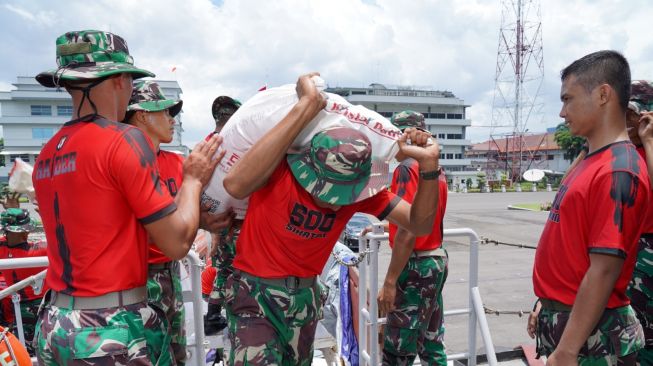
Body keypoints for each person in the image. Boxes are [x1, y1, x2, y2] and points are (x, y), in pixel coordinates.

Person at [222, 72, 442, 365]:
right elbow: (235, 185)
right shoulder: (280, 170)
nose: (334, 202)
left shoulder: (362, 191)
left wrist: (428, 167)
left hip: (306, 299)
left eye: (343, 194)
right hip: (256, 295)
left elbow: (419, 223)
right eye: (326, 191)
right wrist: (307, 104)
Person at [32, 29, 223, 365]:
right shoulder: (124, 140)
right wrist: (193, 179)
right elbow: (176, 245)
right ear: (120, 80)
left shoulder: (47, 153)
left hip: (54, 323)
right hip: (107, 329)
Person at [528, 50, 649, 365]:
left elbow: (604, 268)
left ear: (603, 95)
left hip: (592, 341)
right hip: (571, 323)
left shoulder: (618, 169)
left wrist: (567, 350)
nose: (562, 112)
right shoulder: (593, 161)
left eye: (568, 99)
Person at [124, 80, 233, 365]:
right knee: (151, 354)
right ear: (142, 115)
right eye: (165, 113)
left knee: (177, 352)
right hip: (138, 277)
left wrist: (205, 222)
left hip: (171, 271)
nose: (172, 120)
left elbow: (181, 212)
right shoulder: (125, 162)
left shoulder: (176, 164)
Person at [379, 110, 449, 366]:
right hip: (435, 262)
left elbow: (409, 230)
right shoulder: (435, 169)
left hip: (416, 268)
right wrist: (389, 229)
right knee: (431, 344)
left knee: (398, 350)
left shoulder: (407, 168)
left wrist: (389, 281)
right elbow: (426, 222)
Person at [204, 95, 242, 335]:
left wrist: (213, 231)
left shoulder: (207, 144)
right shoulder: (239, 142)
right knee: (237, 271)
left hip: (214, 218)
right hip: (236, 221)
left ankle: (214, 315)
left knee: (222, 270)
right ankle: (234, 317)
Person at [626, 79, 653, 364]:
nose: (628, 121)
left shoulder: (648, 145)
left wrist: (649, 139)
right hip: (628, 251)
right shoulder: (623, 150)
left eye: (633, 113)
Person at [0, 208, 48, 354]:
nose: (27, 233)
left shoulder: (3, 248)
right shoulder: (38, 250)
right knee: (32, 348)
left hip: (33, 305)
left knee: (29, 347)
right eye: (25, 230)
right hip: (31, 305)